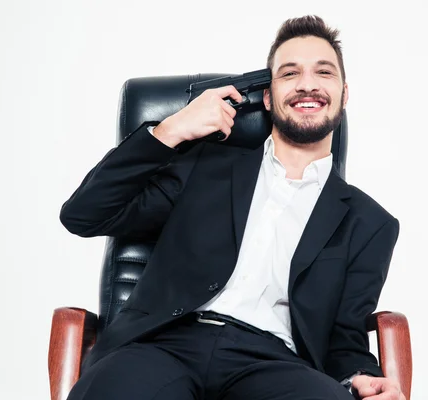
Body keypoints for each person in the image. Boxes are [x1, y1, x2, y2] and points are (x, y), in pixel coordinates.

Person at [60, 15, 404, 400]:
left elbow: (345, 336)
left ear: (344, 93)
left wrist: (359, 375)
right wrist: (171, 131)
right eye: (290, 74)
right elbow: (84, 214)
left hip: (275, 363)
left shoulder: (370, 223)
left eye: (323, 72)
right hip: (163, 346)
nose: (307, 83)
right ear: (269, 98)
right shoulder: (205, 166)